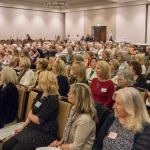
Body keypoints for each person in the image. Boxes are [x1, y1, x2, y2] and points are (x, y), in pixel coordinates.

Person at [2, 71, 59, 150]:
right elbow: (32, 111)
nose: (38, 81)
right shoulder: (41, 94)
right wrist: (22, 127)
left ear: (46, 82)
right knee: (6, 146)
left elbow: (38, 120)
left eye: (40, 80)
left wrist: (30, 114)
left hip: (44, 132)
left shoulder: (52, 99)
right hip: (32, 128)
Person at [49, 83, 96, 150]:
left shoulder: (85, 119)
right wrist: (60, 142)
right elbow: (67, 132)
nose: (67, 94)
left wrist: (58, 147)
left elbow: (76, 147)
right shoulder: (74, 108)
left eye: (70, 93)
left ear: (78, 97)